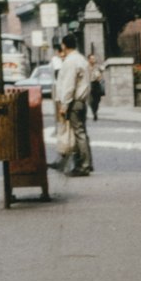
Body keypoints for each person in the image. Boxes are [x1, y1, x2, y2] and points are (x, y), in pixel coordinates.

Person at [55, 33, 93, 176]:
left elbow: (69, 85)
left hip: (74, 102)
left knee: (78, 133)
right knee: (81, 133)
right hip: (82, 101)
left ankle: (83, 166)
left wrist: (64, 104)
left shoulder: (71, 61)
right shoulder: (81, 59)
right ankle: (85, 163)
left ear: (64, 45)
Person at [87, 51, 105, 121]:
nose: (93, 60)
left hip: (96, 84)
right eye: (92, 59)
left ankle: (95, 111)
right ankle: (94, 112)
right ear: (89, 60)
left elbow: (102, 69)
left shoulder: (97, 66)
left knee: (97, 100)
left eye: (94, 59)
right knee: (91, 101)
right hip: (89, 84)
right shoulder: (86, 67)